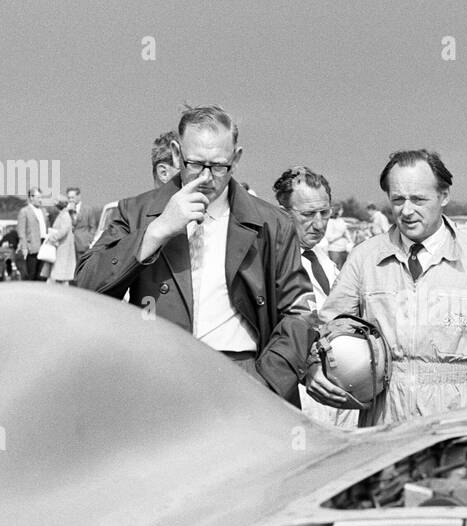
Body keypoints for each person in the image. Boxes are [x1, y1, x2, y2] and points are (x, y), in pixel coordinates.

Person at [76, 105, 315, 404]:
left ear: (236, 158)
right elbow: (85, 287)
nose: (206, 177)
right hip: (159, 380)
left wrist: (266, 382)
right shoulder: (135, 213)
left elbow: (300, 312)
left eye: (218, 167)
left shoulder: (272, 224)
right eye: (195, 164)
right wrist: (157, 230)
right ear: (176, 154)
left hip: (244, 378)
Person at [309, 149, 467, 427]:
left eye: (419, 199)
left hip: (457, 425)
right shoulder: (364, 259)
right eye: (398, 200)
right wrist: (313, 366)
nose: (406, 211)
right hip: (383, 423)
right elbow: (328, 328)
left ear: (444, 196)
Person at [273, 165, 359, 429]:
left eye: (325, 213)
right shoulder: (271, 263)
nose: (319, 224)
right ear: (283, 213)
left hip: (341, 382)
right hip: (301, 387)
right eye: (308, 214)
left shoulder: (322, 259)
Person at [17, 188, 48, 281]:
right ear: (31, 197)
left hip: (43, 244)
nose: (40, 200)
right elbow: (21, 231)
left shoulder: (43, 211)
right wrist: (24, 247)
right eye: (38, 197)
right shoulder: (24, 211)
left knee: (42, 274)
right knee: (32, 274)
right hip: (32, 246)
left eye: (41, 197)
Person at [46, 193, 77, 285]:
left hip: (63, 249)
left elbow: (64, 230)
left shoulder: (65, 216)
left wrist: (53, 238)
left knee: (60, 275)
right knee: (59, 275)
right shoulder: (62, 214)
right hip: (61, 248)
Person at [323, 206, 352, 270]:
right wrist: (340, 235)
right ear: (337, 211)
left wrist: (350, 242)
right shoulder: (330, 221)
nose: (342, 211)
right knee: (335, 271)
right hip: (334, 251)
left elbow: (346, 233)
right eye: (341, 210)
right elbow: (329, 238)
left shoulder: (341, 220)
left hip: (344, 250)